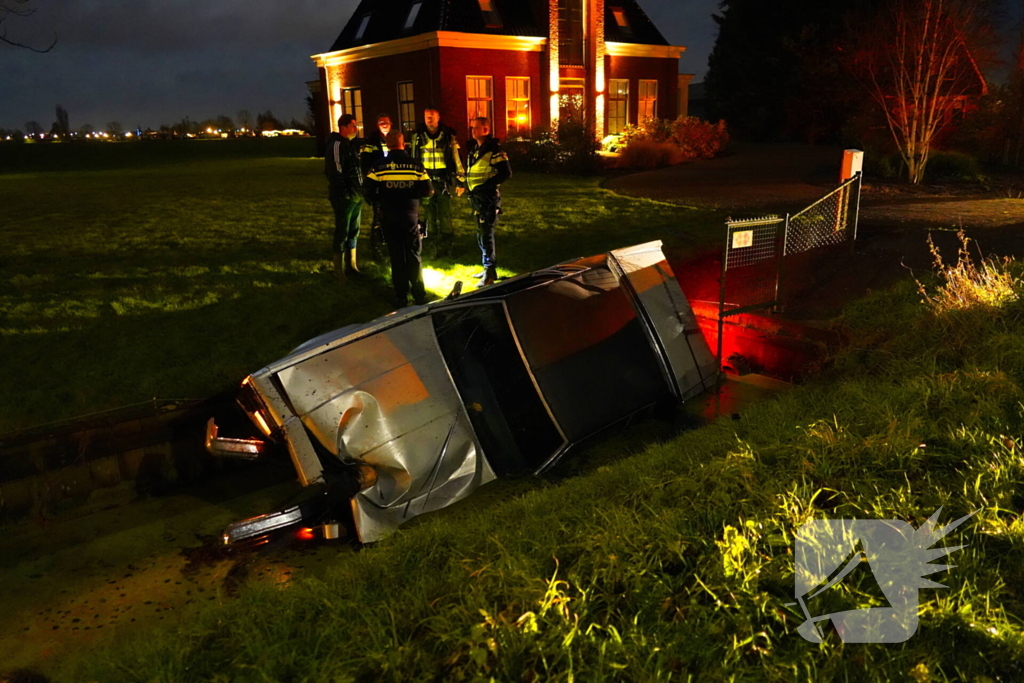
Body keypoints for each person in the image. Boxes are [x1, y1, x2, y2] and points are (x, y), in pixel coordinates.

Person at [364, 130, 435, 308]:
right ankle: (419, 294)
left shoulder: (379, 166)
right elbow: (429, 191)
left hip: (389, 215)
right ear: (404, 144)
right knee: (413, 254)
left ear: (388, 145)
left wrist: (378, 201)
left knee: (396, 256)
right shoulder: (416, 165)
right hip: (410, 215)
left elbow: (367, 190)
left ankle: (401, 296)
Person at [465, 117, 512, 287]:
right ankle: (487, 268)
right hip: (477, 197)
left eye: (476, 128)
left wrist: (486, 186)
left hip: (488, 197)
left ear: (485, 130)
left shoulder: (494, 150)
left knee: (486, 233)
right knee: (481, 232)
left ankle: (490, 272)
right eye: (472, 128)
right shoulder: (475, 149)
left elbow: (506, 173)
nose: (473, 131)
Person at [409, 108, 465, 241]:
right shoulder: (417, 135)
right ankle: (432, 236)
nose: (429, 119)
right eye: (427, 116)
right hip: (425, 179)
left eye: (432, 117)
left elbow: (457, 158)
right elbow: (412, 158)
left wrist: (460, 181)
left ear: (438, 118)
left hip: (442, 178)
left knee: (444, 210)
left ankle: (447, 236)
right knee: (429, 210)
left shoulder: (447, 135)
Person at [324, 113, 365, 282]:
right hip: (345, 197)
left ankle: (352, 265)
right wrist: (345, 193)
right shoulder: (336, 145)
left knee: (353, 231)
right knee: (342, 231)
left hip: (356, 195)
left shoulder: (350, 145)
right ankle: (338, 270)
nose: (356, 129)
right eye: (353, 126)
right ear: (344, 127)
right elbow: (335, 172)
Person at [359, 114, 392, 253]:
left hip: (393, 180)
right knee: (378, 214)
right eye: (381, 122)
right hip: (378, 182)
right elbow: (366, 162)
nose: (384, 124)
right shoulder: (371, 140)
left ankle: (389, 240)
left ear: (391, 123)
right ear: (377, 125)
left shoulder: (396, 137)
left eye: (386, 122)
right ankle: (376, 243)